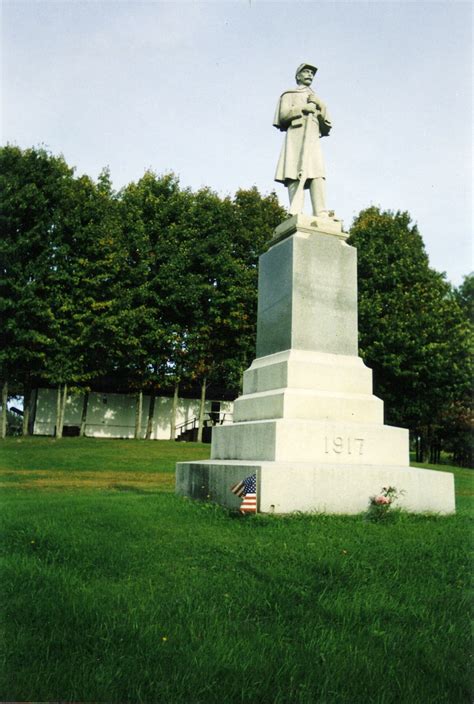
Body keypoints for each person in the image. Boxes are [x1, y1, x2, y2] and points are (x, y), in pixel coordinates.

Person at [273, 62, 332, 217]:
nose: (309, 75)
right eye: (306, 72)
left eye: (312, 73)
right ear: (298, 75)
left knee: (317, 172)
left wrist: (319, 108)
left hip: (313, 138)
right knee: (293, 172)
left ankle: (321, 211)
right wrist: (301, 109)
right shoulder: (289, 94)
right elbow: (282, 116)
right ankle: (296, 210)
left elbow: (327, 125)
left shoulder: (316, 98)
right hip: (295, 136)